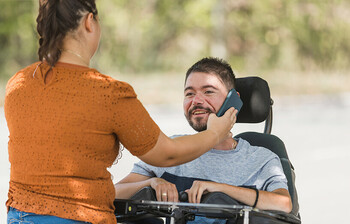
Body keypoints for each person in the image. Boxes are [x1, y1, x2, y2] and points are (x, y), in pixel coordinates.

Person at [4, 2, 236, 224]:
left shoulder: (19, 83)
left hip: (20, 216)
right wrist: (215, 133)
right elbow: (167, 155)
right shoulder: (108, 93)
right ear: (89, 22)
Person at [115, 57, 293, 223]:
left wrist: (220, 189)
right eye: (189, 94)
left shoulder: (261, 158)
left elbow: (284, 204)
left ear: (234, 100)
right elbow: (112, 193)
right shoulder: (171, 151)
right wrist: (151, 182)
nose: (196, 101)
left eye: (208, 91)